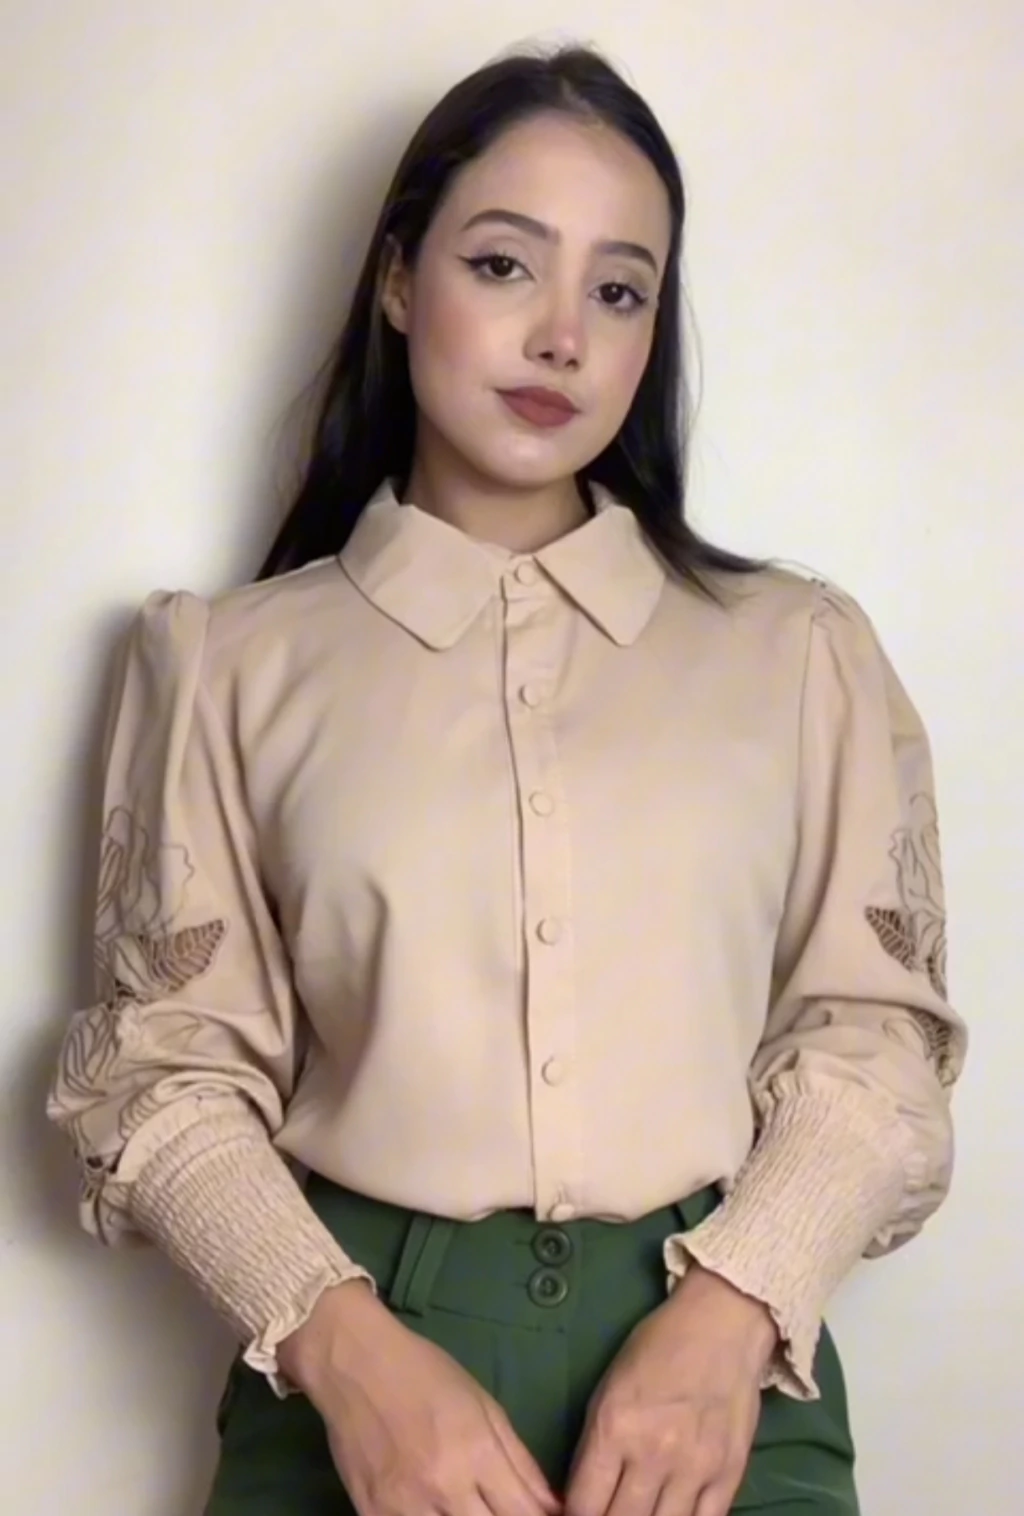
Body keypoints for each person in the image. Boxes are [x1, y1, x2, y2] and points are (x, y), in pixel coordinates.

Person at [46, 42, 966, 1516]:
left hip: (717, 1380)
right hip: (357, 1370)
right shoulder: (226, 663)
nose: (562, 337)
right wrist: (347, 1354)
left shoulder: (798, 652)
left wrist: (737, 1308)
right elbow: (165, 1072)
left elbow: (876, 1035)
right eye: (503, 265)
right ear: (400, 282)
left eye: (621, 291)